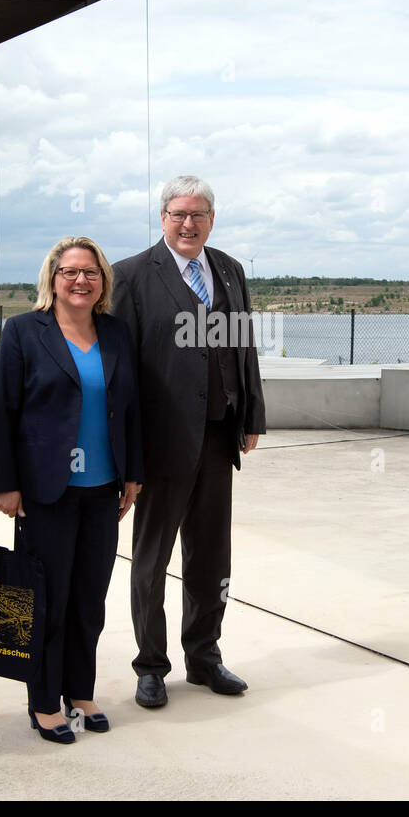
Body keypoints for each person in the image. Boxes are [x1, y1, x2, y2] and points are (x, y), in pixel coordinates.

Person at [111, 175, 266, 707]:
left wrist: (250, 415)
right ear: (162, 218)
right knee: (151, 561)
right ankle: (151, 665)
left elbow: (242, 347)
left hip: (220, 439)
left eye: (198, 214)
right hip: (160, 445)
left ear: (211, 219)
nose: (188, 223)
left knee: (210, 559)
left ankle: (205, 656)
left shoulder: (228, 270)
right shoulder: (131, 276)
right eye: (178, 214)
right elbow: (120, 371)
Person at [0, 237, 142, 744]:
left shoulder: (117, 333)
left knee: (88, 601)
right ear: (52, 278)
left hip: (103, 490)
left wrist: (133, 474)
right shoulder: (22, 332)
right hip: (44, 492)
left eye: (91, 272)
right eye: (70, 272)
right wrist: (5, 485)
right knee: (45, 601)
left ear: (103, 281)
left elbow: (133, 411)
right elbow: (3, 413)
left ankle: (80, 691)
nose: (81, 280)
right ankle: (42, 700)